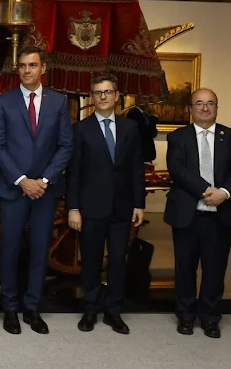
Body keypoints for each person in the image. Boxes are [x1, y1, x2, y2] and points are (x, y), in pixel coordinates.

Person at [0, 45, 73, 335]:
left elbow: (65, 145)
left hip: (46, 191)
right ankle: (10, 308)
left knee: (40, 250)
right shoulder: (3, 103)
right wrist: (23, 180)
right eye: (22, 65)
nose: (27, 70)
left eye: (32, 65)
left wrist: (45, 180)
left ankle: (33, 308)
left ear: (43, 69)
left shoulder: (59, 103)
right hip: (14, 189)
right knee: (10, 249)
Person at [164, 88, 231, 339]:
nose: (204, 108)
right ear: (191, 108)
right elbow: (176, 169)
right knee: (185, 268)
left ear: (216, 107)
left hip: (221, 215)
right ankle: (186, 316)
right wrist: (205, 189)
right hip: (187, 214)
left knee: (215, 269)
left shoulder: (230, 136)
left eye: (210, 103)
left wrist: (224, 192)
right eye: (199, 103)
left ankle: (210, 317)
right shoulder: (178, 137)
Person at [67, 75, 145, 335]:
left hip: (122, 208)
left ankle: (113, 311)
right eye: (98, 92)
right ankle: (90, 309)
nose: (103, 96)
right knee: (90, 260)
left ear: (116, 95)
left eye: (108, 91)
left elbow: (136, 168)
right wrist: (73, 207)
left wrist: (139, 203)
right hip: (90, 208)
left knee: (117, 261)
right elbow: (74, 172)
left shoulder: (130, 128)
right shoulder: (81, 129)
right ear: (92, 97)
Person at [126, 95, 158, 162]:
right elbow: (145, 132)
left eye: (147, 99)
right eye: (144, 99)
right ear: (137, 99)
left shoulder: (145, 114)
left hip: (146, 153)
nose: (147, 102)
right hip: (139, 153)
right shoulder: (133, 113)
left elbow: (153, 133)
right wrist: (153, 117)